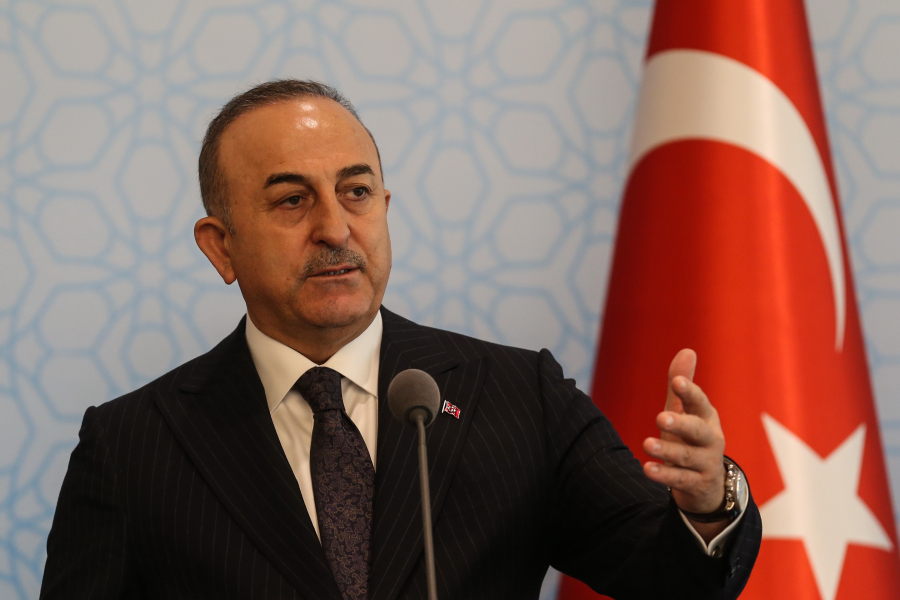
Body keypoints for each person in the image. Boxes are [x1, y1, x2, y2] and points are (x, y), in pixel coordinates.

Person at [40, 80, 761, 600]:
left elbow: (669, 577)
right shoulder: (131, 446)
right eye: (292, 200)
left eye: (356, 192)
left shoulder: (520, 397)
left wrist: (708, 503)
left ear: (383, 207)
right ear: (220, 246)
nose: (335, 228)